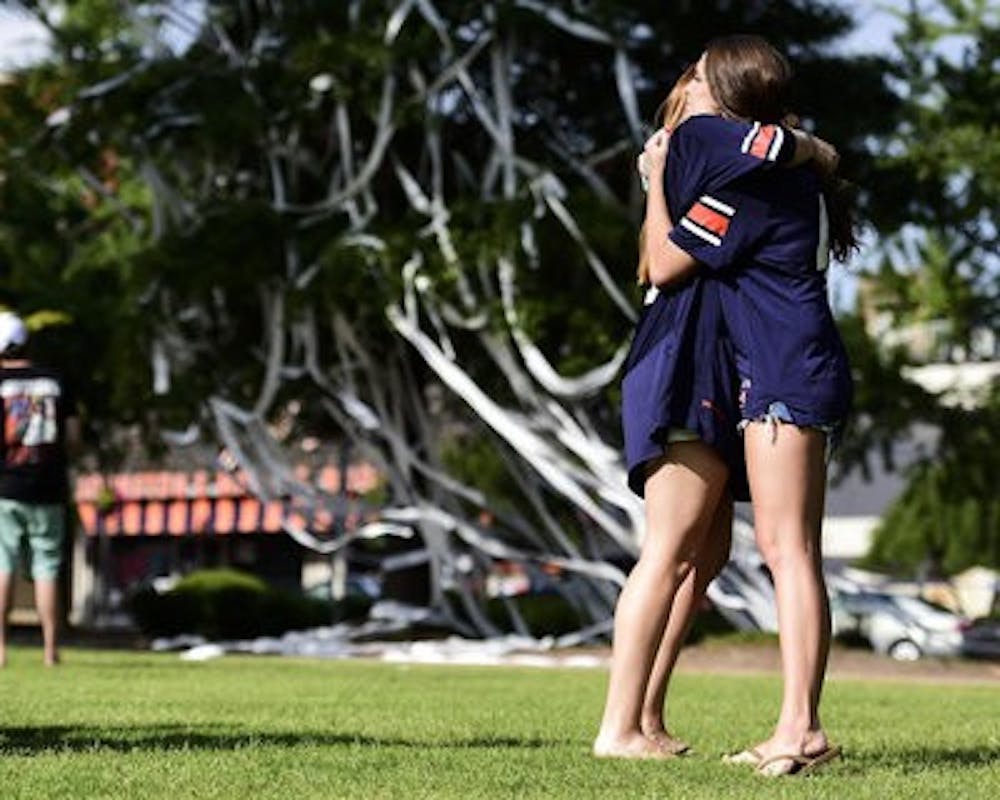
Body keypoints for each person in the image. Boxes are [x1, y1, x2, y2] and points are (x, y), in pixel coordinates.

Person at [594, 65, 838, 759]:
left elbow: (671, 254)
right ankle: (627, 725)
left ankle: (653, 721)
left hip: (754, 372)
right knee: (686, 551)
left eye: (701, 81)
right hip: (695, 369)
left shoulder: (736, 169)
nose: (690, 96)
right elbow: (661, 266)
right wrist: (659, 182)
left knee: (720, 553)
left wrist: (806, 145)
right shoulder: (712, 157)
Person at [0, 311, 79, 667]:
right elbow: (74, 438)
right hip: (48, 486)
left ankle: (0, 649)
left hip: (6, 486)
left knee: (3, 564)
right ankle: (50, 651)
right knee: (47, 566)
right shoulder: (56, 379)